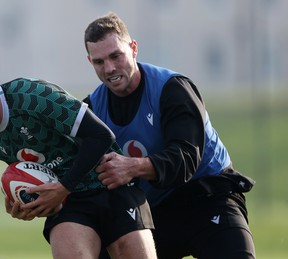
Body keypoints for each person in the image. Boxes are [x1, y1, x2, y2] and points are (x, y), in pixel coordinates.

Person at [0, 61, 157, 259]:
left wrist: (64, 186)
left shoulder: (33, 96)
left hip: (110, 184)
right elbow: (35, 175)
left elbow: (101, 136)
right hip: (69, 204)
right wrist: (27, 203)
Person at [83, 12, 256, 259]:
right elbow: (74, 166)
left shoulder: (172, 88)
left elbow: (186, 158)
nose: (109, 68)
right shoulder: (92, 109)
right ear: (90, 62)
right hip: (153, 210)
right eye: (99, 62)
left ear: (133, 49)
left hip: (207, 194)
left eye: (115, 56)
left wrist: (131, 167)